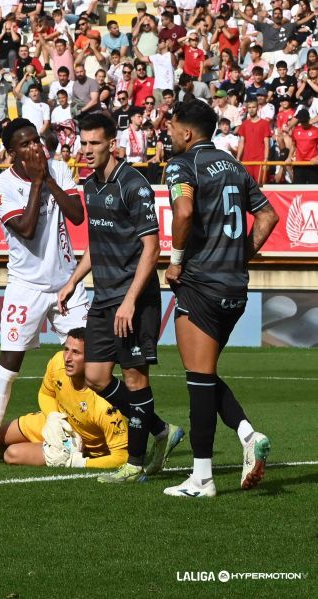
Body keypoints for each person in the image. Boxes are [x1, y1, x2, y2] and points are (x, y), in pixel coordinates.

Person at [162, 101, 279, 498]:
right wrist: (239, 255)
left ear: (188, 132)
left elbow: (184, 212)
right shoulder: (234, 165)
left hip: (200, 283)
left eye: (173, 126)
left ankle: (202, 479)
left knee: (198, 379)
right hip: (235, 286)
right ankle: (247, 435)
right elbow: (268, 217)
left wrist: (176, 262)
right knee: (205, 373)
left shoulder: (183, 165)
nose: (169, 132)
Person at [60, 113, 180, 484]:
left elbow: (152, 248)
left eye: (94, 144)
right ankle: (161, 430)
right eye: (83, 143)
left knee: (134, 378)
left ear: (112, 144)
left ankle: (134, 462)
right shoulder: (90, 185)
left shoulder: (134, 184)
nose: (87, 150)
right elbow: (97, 245)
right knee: (95, 376)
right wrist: (72, 281)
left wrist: (130, 300)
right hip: (104, 297)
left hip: (135, 299)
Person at [0, 118, 87, 465]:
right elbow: (25, 228)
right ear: (11, 153)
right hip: (25, 286)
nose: (34, 147)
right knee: (10, 364)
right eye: (24, 144)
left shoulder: (57, 168)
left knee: (88, 360)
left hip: (67, 283)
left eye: (35, 140)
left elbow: (77, 215)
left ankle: (91, 434)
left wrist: (48, 178)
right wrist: (38, 182)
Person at [0, 328, 130, 469]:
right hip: (58, 420)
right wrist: (53, 417)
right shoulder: (58, 361)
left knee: (12, 454)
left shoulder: (107, 407)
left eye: (76, 353)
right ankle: (32, 445)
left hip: (78, 445)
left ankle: (51, 450)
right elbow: (46, 393)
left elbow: (121, 457)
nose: (68, 358)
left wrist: (80, 463)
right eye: (67, 349)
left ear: (92, 358)